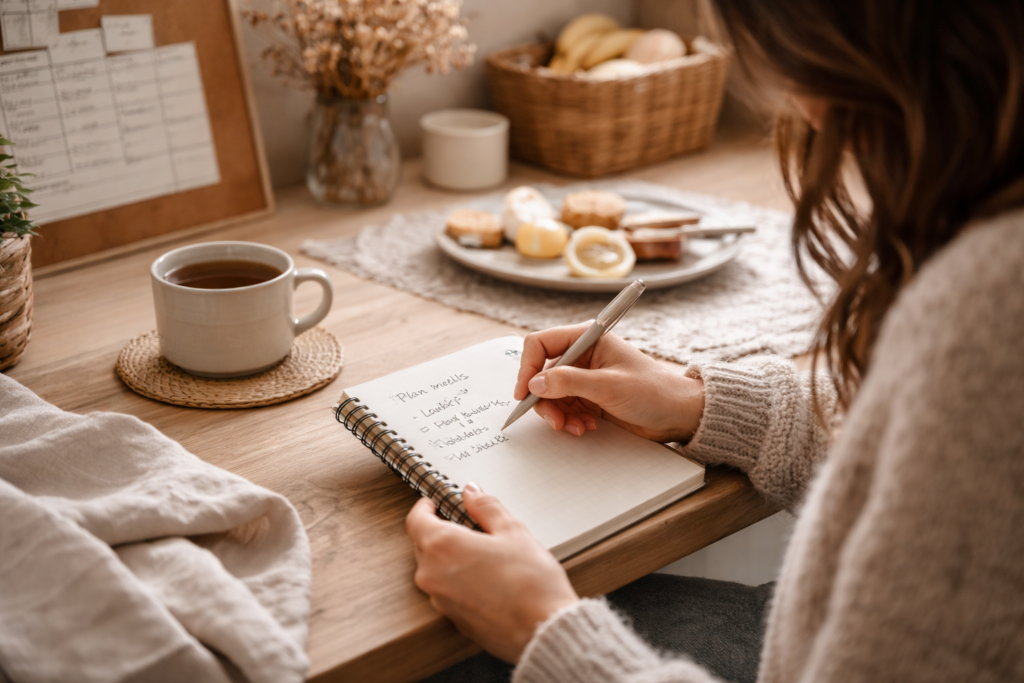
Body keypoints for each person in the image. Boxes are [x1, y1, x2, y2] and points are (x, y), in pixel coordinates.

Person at [406, 1, 1024, 681]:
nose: (790, 95)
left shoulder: (993, 300)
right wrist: (703, 403)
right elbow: (935, 472)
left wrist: (546, 630)